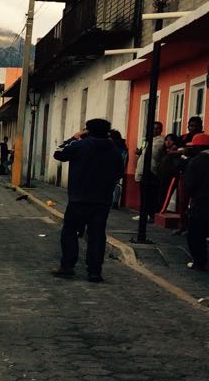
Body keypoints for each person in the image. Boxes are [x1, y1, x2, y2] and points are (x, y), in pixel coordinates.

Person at [51, 118, 126, 283]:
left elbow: (58, 153)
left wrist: (73, 138)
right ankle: (94, 272)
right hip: (102, 200)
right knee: (97, 235)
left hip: (79, 198)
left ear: (88, 131)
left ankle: (68, 267)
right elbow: (120, 172)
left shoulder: (80, 146)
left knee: (70, 232)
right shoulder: (114, 150)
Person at [183, 133, 209, 270]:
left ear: (198, 147)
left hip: (200, 203)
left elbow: (189, 186)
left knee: (195, 235)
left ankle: (199, 262)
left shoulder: (195, 162)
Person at [134, 121, 165, 221]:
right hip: (143, 168)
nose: (155, 130)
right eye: (153, 128)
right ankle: (143, 213)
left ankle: (151, 214)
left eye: (158, 128)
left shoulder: (161, 141)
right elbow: (142, 150)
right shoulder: (146, 140)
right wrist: (139, 151)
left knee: (151, 194)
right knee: (143, 193)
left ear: (161, 130)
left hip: (153, 169)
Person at [109, 129, 128, 208]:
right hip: (120, 167)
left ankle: (112, 202)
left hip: (112, 167)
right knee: (117, 184)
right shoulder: (123, 146)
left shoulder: (113, 146)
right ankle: (115, 202)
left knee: (111, 185)